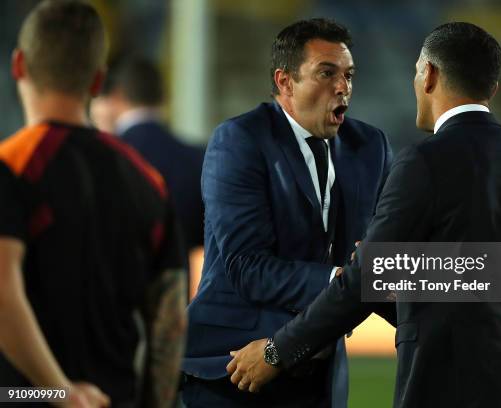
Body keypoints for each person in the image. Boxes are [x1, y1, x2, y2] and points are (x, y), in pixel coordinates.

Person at [227, 22, 501, 408]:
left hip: (445, 391)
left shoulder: (423, 163)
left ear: (430, 75)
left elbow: (365, 279)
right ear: (492, 88)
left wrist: (277, 352)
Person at [182, 18, 393, 408]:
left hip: (318, 369)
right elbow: (247, 265)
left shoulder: (370, 147)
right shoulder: (240, 141)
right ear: (285, 82)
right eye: (326, 73)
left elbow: (379, 255)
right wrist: (343, 280)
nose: (342, 86)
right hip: (233, 368)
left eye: (349, 75)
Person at [0, 1, 186, 407]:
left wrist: (59, 392)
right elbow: (169, 319)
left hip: (20, 397)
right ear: (98, 79)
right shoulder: (147, 181)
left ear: (18, 65)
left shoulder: (10, 166)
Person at [90, 57, 205, 297]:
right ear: (163, 99)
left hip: (114, 306)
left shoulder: (102, 159)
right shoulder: (198, 158)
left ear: (118, 96)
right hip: (176, 306)